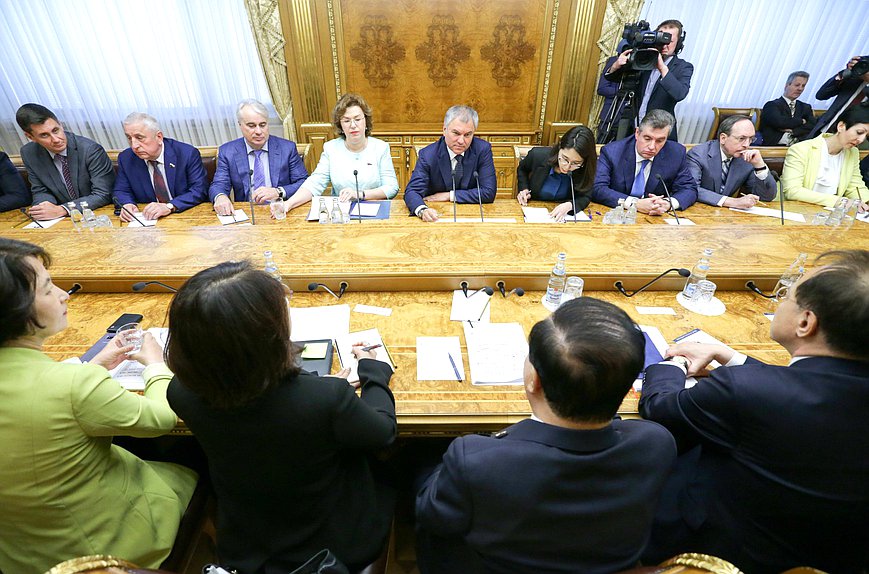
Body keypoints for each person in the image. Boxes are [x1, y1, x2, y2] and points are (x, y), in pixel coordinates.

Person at [640, 249, 869, 573]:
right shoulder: (759, 386)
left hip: (720, 552)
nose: (779, 300)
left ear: (805, 322)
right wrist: (730, 357)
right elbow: (811, 389)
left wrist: (674, 364)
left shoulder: (746, 391)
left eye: (787, 295)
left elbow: (661, 409)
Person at [415, 297, 677, 574]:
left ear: (533, 379)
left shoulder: (476, 461)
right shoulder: (656, 443)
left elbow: (434, 516)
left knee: (418, 464)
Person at [165, 261, 397, 573]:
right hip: (332, 545)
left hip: (246, 538)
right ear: (267, 337)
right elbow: (384, 431)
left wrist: (323, 392)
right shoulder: (325, 399)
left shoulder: (179, 392)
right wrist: (373, 371)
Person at [0, 238, 197, 573]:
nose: (63, 294)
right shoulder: (73, 385)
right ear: (15, 309)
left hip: (22, 555)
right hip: (106, 551)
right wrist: (155, 365)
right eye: (48, 289)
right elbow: (162, 419)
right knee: (194, 457)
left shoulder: (67, 379)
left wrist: (94, 365)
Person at [278, 93, 398, 214]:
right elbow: (314, 183)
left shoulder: (380, 147)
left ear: (365, 121)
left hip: (375, 210)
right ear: (340, 125)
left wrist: (360, 195)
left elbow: (391, 188)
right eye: (346, 120)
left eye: (357, 119)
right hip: (342, 213)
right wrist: (288, 204)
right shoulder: (331, 148)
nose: (353, 125)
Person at [209, 99, 308, 216]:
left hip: (281, 210)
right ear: (240, 125)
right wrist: (220, 197)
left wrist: (278, 192)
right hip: (247, 213)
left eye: (262, 125)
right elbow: (219, 184)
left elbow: (304, 182)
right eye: (251, 126)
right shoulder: (228, 151)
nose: (258, 131)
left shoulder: (286, 148)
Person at [15, 103, 114, 219]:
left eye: (55, 130)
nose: (56, 139)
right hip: (61, 221)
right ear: (30, 137)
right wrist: (42, 208)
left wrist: (63, 209)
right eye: (44, 135)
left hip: (96, 214)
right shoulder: (29, 153)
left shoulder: (90, 150)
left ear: (60, 125)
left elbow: (103, 194)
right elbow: (41, 190)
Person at [592, 109, 697, 215]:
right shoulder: (613, 152)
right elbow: (597, 188)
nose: (652, 147)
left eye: (660, 141)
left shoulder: (676, 153)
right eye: (647, 138)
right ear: (637, 133)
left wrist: (667, 203)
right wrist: (635, 203)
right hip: (619, 215)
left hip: (655, 218)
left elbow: (689, 188)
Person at [604, 20, 693, 141]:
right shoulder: (643, 60)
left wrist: (662, 68)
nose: (665, 44)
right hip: (633, 129)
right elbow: (612, 78)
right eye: (662, 39)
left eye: (669, 41)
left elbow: (679, 93)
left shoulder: (684, 67)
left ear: (678, 44)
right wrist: (616, 65)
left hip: (659, 134)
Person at [404, 105, 497, 221]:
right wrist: (422, 210)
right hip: (437, 215)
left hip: (472, 216)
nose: (461, 141)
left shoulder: (482, 150)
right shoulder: (428, 155)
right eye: (456, 133)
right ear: (444, 130)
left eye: (467, 134)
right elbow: (412, 191)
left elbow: (488, 192)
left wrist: (450, 195)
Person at [113, 113, 208, 222]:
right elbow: (121, 190)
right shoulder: (126, 158)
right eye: (129, 138)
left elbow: (199, 190)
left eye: (140, 138)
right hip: (148, 221)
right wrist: (127, 204)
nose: (134, 145)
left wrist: (170, 206)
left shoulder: (186, 153)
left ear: (159, 137)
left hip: (186, 217)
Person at [781, 106, 869, 209]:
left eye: (866, 136)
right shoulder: (801, 149)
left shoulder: (852, 153)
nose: (861, 140)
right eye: (859, 132)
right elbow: (793, 191)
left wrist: (866, 201)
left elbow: (855, 186)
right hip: (796, 209)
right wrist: (837, 201)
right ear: (841, 126)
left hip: (828, 213)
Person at [687, 114, 777, 209]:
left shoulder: (746, 158)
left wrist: (760, 166)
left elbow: (765, 197)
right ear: (723, 138)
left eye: (751, 139)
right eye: (741, 139)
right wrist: (732, 201)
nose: (747, 145)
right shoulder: (698, 154)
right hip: (697, 210)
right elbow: (691, 189)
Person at [516, 125, 597, 221]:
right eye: (565, 159)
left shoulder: (585, 169)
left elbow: (585, 196)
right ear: (559, 148)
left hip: (564, 220)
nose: (567, 167)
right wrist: (524, 188)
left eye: (575, 163)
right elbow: (522, 169)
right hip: (534, 213)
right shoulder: (537, 155)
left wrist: (570, 205)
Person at [808, 56, 869, 138]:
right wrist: (847, 72)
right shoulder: (854, 78)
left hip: (852, 141)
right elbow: (821, 95)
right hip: (823, 132)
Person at [758, 71, 817, 145]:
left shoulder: (805, 107)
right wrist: (802, 121)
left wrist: (793, 131)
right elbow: (780, 122)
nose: (800, 89)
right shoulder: (772, 105)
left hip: (799, 145)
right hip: (775, 147)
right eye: (797, 85)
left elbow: (812, 126)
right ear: (786, 85)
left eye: (803, 86)